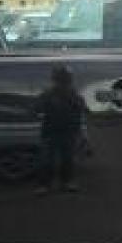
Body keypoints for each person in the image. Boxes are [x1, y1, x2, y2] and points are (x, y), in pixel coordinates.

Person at [35, 65, 87, 193]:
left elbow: (82, 109)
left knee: (68, 159)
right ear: (55, 79)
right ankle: (45, 185)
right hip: (50, 132)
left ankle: (68, 182)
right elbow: (36, 108)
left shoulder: (74, 94)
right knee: (47, 161)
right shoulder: (47, 94)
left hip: (69, 132)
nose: (63, 81)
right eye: (60, 78)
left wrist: (70, 99)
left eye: (65, 79)